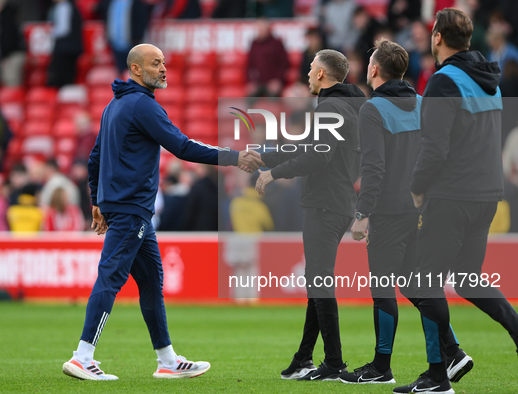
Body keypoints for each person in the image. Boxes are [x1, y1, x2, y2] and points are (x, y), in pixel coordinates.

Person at [61, 43, 263, 381]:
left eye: (164, 62)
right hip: (131, 208)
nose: (163, 68)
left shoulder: (115, 105)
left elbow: (94, 158)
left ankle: (167, 360)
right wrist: (232, 156)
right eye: (156, 63)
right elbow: (181, 145)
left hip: (127, 207)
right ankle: (83, 356)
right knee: (111, 276)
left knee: (152, 283)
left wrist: (97, 202)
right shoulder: (142, 105)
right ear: (137, 70)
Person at [396, 8, 518, 393]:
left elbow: (434, 148)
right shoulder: (490, 83)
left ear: (436, 38)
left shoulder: (443, 81)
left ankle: (440, 373)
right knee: (466, 277)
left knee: (414, 278)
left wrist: (416, 188)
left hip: (451, 195)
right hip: (486, 195)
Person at [342, 38, 472, 385]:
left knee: (383, 286)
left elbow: (374, 168)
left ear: (373, 69)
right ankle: (453, 352)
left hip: (388, 212)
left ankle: (381, 367)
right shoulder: (420, 103)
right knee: (416, 283)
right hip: (421, 210)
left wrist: (362, 213)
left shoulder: (371, 110)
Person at [251, 49, 366, 381]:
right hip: (338, 202)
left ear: (321, 75)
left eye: (311, 68)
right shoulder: (349, 108)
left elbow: (317, 158)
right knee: (317, 281)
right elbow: (307, 149)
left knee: (320, 282)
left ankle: (334, 363)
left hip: (325, 204)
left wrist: (274, 173)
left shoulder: (330, 107)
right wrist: (266, 157)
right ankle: (304, 357)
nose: (306, 73)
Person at [246, 18, 289, 97]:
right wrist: (251, 81)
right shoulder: (254, 44)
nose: (260, 31)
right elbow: (250, 65)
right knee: (250, 94)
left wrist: (278, 80)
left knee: (273, 96)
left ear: (268, 29)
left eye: (262, 29)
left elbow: (284, 64)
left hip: (274, 81)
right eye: (259, 29)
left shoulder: (277, 43)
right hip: (258, 82)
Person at [47, 0, 83, 88]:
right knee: (67, 79)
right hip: (70, 49)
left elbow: (63, 29)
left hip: (65, 50)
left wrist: (49, 32)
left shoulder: (63, 6)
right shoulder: (70, 6)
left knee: (60, 80)